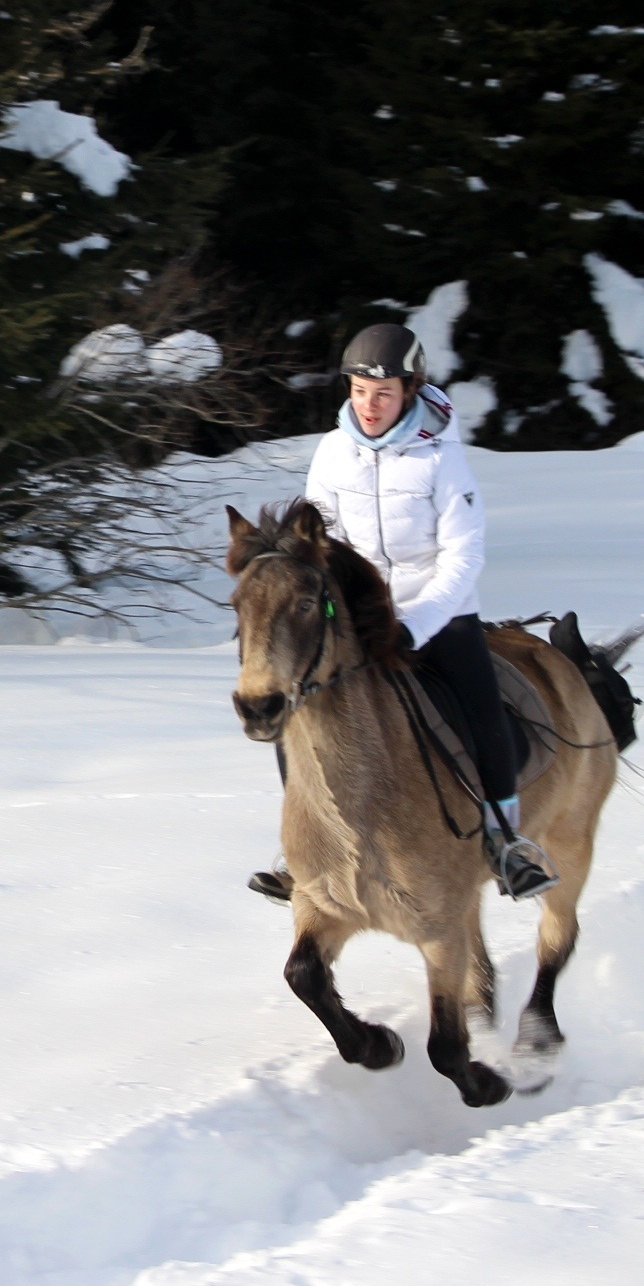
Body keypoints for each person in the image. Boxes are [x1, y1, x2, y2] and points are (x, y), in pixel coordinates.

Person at [254, 322, 555, 902]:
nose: (369, 405)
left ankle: (506, 840)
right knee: (294, 707)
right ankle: (304, 849)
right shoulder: (332, 452)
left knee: (480, 709)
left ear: (410, 391)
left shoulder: (443, 458)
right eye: (360, 391)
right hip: (358, 617)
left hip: (437, 612)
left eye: (384, 393)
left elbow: (463, 557)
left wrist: (417, 625)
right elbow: (320, 542)